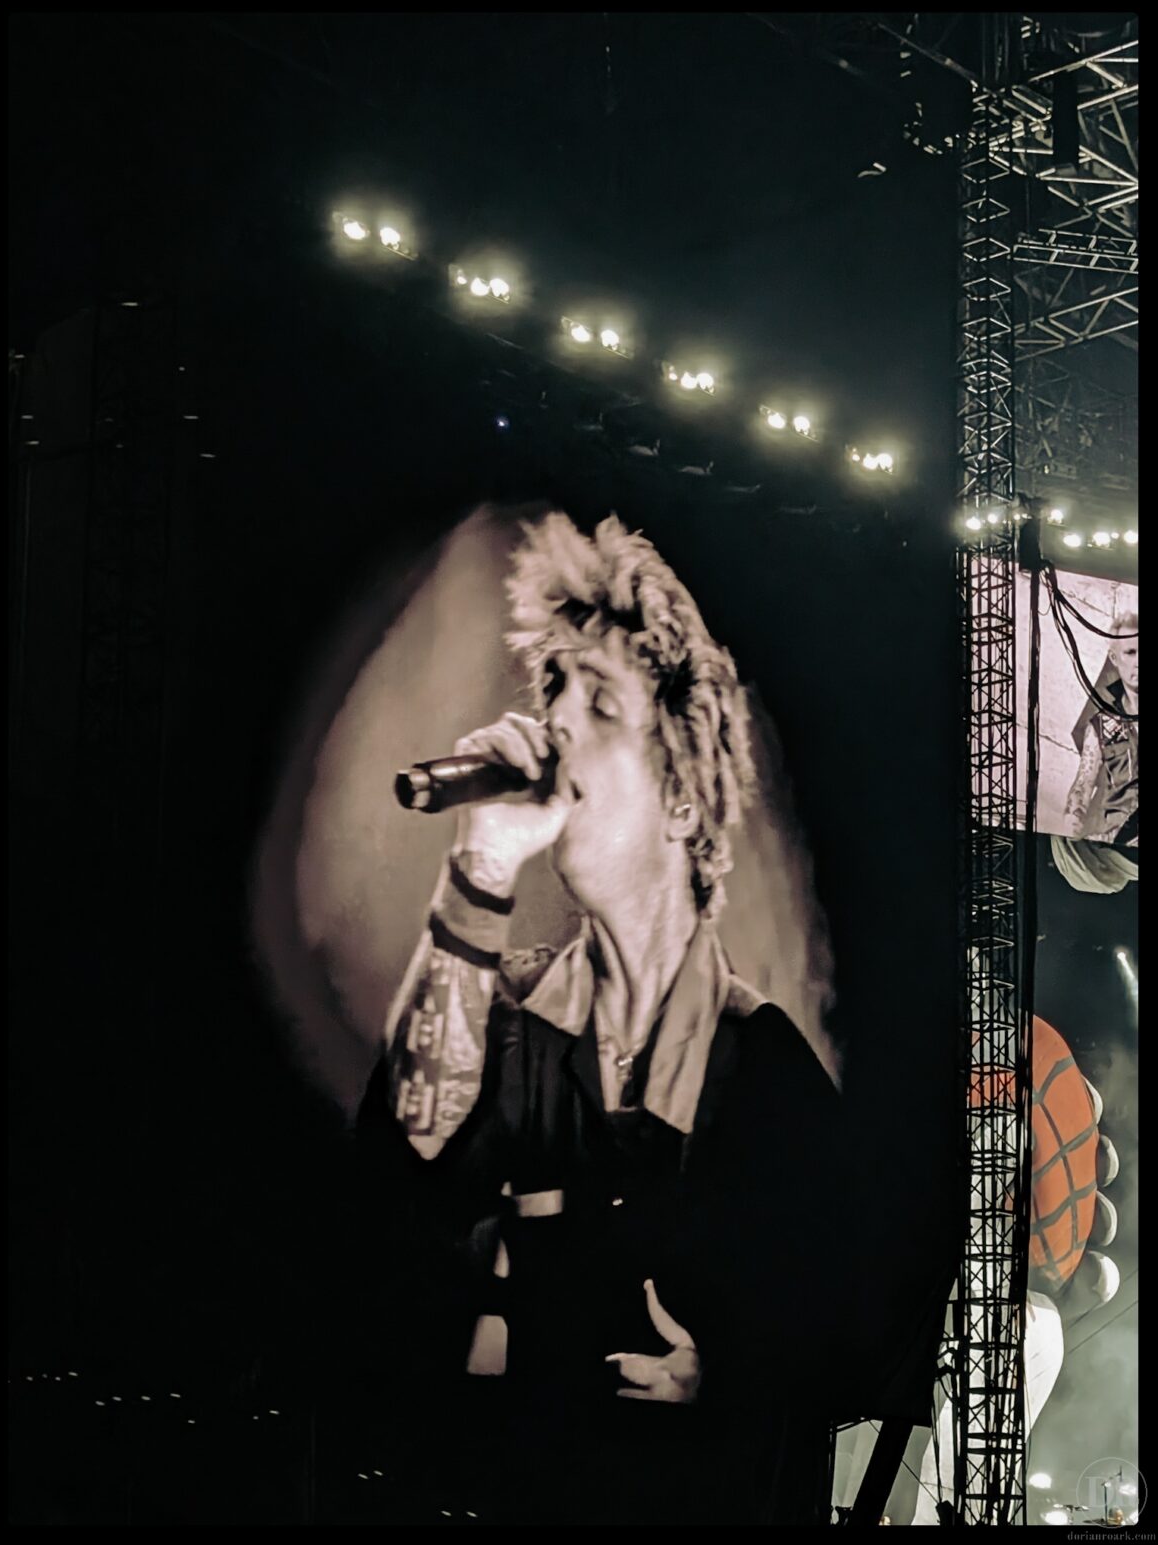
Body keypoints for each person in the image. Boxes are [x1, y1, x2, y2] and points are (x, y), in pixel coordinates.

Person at [361, 512, 844, 1524]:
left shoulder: (765, 1072)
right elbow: (398, 1170)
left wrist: (727, 1377)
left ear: (681, 796)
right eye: (553, 689)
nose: (556, 723)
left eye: (602, 702)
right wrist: (483, 860)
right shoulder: (517, 1021)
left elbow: (847, 1329)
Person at [1064, 614, 1138, 847]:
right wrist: (1073, 815)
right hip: (1117, 842)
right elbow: (1083, 784)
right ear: (1114, 658)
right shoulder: (1102, 725)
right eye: (1131, 652)